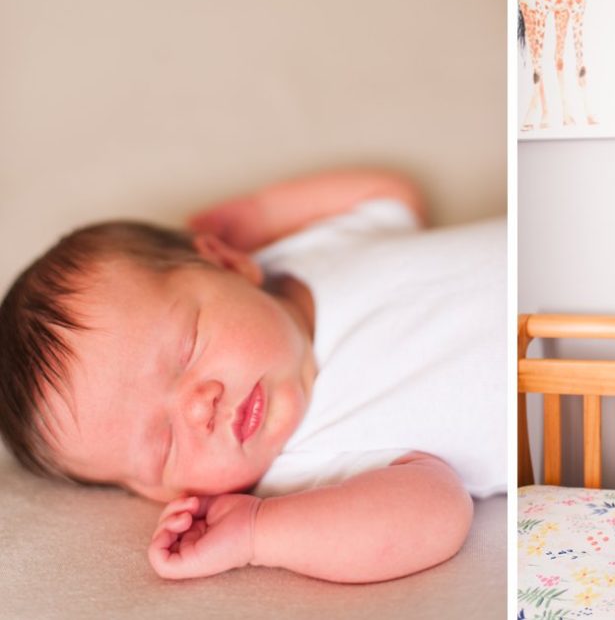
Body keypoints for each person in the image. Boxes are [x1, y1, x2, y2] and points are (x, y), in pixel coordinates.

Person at [0, 169, 505, 583]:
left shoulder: (296, 257)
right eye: (164, 442)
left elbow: (391, 197)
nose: (199, 408)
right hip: (576, 391)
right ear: (160, 495)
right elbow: (437, 513)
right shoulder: (303, 469)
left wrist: (259, 214)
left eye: (187, 348)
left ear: (227, 263)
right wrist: (259, 534)